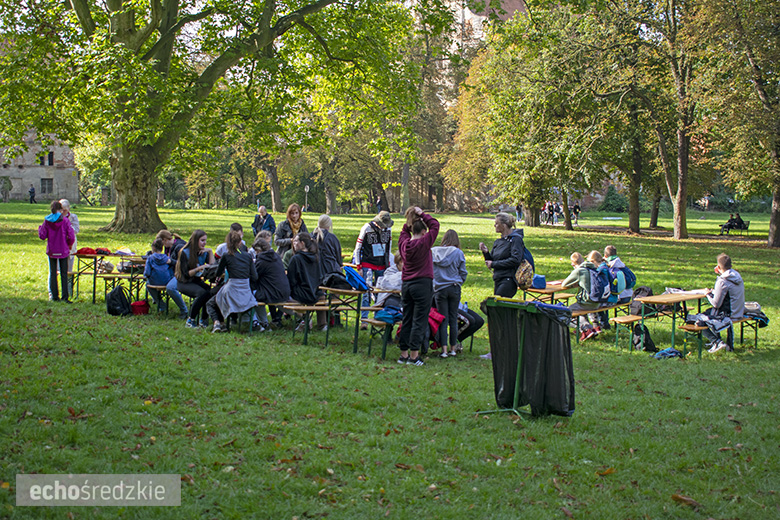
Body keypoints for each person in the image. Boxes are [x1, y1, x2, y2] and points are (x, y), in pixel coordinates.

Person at [397, 206, 439, 366]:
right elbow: (435, 225)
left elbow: (403, 232)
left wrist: (411, 220)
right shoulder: (424, 242)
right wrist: (422, 214)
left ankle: (404, 354)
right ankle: (414, 356)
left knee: (407, 318)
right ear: (423, 232)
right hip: (422, 283)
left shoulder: (404, 245)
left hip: (407, 284)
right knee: (419, 319)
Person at [207, 230, 259, 333]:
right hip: (245, 292)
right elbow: (255, 276)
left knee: (211, 302)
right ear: (240, 243)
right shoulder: (248, 256)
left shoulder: (226, 255)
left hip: (231, 289)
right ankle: (224, 323)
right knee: (220, 298)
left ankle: (217, 323)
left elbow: (218, 273)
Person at [431, 230, 468, 358]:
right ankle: (453, 348)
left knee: (443, 319)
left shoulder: (434, 252)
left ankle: (444, 350)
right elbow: (463, 271)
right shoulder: (458, 253)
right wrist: (459, 282)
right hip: (453, 287)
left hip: (440, 289)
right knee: (453, 319)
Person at [353, 211, 394, 320]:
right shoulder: (366, 228)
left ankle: (378, 316)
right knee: (366, 291)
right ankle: (364, 318)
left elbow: (388, 248)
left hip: (381, 265)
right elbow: (358, 248)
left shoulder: (388, 229)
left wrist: (388, 265)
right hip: (367, 263)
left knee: (379, 292)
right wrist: (359, 266)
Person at [479, 212, 527, 298]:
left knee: (495, 305)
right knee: (497, 308)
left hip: (509, 280)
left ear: (504, 225)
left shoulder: (516, 240)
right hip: (498, 279)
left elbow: (515, 260)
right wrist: (486, 253)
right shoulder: (498, 242)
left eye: (497, 223)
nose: (494, 226)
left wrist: (493, 264)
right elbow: (492, 261)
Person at [704, 254, 745, 353]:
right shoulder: (737, 276)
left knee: (700, 319)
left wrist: (708, 294)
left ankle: (716, 341)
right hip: (739, 311)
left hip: (729, 314)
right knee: (709, 313)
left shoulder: (722, 281)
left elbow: (716, 304)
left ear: (718, 267)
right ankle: (721, 342)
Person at [175, 230, 217, 328]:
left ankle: (203, 319)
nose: (204, 243)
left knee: (210, 292)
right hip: (184, 282)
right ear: (195, 240)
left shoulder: (203, 252)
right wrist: (198, 268)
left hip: (196, 281)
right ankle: (191, 320)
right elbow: (186, 274)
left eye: (205, 240)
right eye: (202, 240)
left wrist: (210, 251)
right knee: (202, 293)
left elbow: (213, 266)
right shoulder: (185, 252)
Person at [286, 232, 326, 331]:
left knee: (281, 298)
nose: (293, 243)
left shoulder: (296, 259)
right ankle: (323, 325)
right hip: (316, 292)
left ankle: (305, 317)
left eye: (296, 241)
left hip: (301, 294)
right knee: (322, 296)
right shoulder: (316, 257)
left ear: (302, 243)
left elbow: (291, 280)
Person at [38, 200, 75, 302]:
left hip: (52, 249)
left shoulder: (47, 220)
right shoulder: (65, 220)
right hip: (63, 249)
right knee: (64, 273)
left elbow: (42, 236)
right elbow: (71, 236)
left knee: (53, 272)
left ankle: (54, 296)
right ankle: (65, 297)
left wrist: (40, 228)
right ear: (60, 209)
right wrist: (69, 244)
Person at [561, 251, 602, 341]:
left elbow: (564, 284)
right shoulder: (594, 268)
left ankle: (586, 329)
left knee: (565, 312)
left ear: (573, 264)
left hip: (587, 302)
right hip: (598, 301)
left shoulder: (580, 271)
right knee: (580, 310)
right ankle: (588, 329)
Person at [252, 231, 290, 328]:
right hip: (285, 291)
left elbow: (254, 276)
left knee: (253, 294)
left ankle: (263, 322)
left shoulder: (262, 261)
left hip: (273, 294)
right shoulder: (276, 256)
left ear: (259, 250)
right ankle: (275, 319)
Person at [157, 230, 189, 319]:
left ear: (165, 240)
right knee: (149, 283)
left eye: (162, 243)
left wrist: (171, 261)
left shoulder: (180, 246)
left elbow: (185, 264)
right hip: (171, 272)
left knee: (170, 288)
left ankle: (184, 310)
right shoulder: (168, 248)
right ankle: (162, 306)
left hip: (182, 273)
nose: (163, 246)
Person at [144, 238, 173, 312]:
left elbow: (147, 272)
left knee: (147, 285)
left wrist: (145, 276)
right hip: (167, 281)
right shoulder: (167, 258)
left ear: (153, 248)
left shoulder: (150, 258)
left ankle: (160, 303)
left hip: (154, 281)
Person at [59, 199, 79, 274]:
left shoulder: (73, 217)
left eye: (64, 210)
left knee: (68, 270)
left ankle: (69, 285)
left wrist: (67, 227)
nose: (63, 212)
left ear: (68, 209)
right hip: (58, 246)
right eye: (61, 210)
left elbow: (76, 230)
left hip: (70, 245)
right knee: (57, 269)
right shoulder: (56, 218)